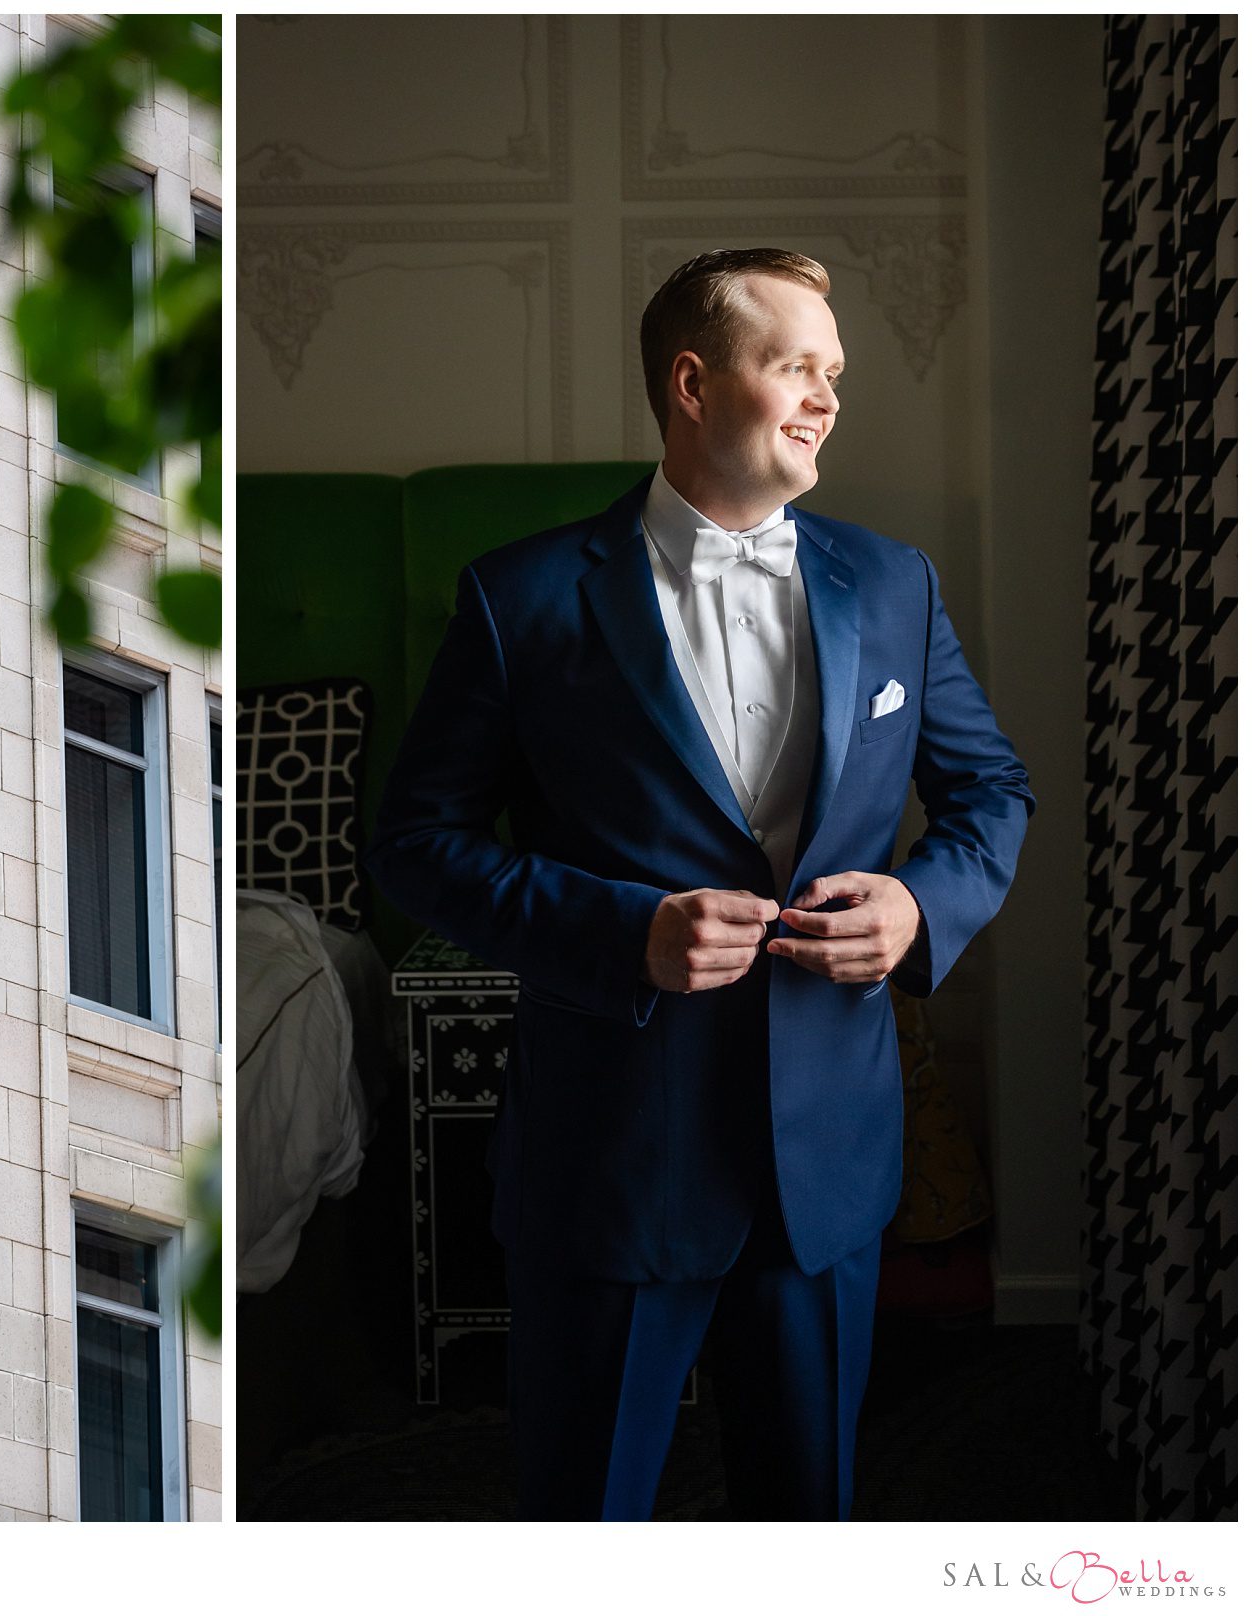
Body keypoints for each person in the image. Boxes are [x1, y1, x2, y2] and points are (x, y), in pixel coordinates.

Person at [365, 247, 1034, 1520]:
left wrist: (915, 905)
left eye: (834, 374)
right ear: (690, 382)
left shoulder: (895, 585)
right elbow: (413, 842)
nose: (825, 398)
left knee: (803, 1528)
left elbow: (991, 791)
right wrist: (624, 931)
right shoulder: (520, 598)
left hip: (823, 1163)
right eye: (795, 367)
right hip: (613, 1157)